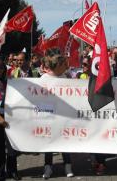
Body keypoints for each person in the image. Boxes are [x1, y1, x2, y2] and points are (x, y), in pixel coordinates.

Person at [40, 48, 74, 179]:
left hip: (64, 115)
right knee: (49, 142)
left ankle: (68, 166)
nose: (66, 67)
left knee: (64, 141)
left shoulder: (65, 77)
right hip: (48, 115)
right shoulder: (44, 78)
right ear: (57, 65)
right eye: (63, 64)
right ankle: (48, 167)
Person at [0, 61, 20, 180]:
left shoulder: (9, 81)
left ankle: (13, 170)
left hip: (10, 117)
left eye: (1, 67)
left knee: (11, 146)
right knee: (0, 147)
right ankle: (0, 172)